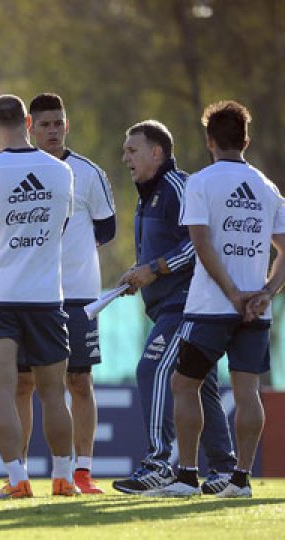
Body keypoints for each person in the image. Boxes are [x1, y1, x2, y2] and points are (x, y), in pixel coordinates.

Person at [145, 101, 285, 498]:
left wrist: (231, 293)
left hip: (210, 307)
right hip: (255, 311)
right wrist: (265, 293)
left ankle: (187, 476)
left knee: (183, 385)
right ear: (246, 140)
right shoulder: (266, 187)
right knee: (248, 392)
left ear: (209, 141)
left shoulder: (201, 183)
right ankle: (240, 479)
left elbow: (201, 244)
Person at [0, 94, 77, 499]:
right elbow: (60, 225)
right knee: (53, 393)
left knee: (4, 391)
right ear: (28, 122)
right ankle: (63, 478)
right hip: (46, 297)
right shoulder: (60, 171)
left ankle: (16, 479)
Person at [111, 120, 237, 494]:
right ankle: (225, 470)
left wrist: (153, 269)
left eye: (132, 150)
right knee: (202, 387)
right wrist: (141, 275)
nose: (125, 158)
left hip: (186, 306)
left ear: (156, 152)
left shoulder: (178, 187)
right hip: (169, 304)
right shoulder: (149, 192)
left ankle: (158, 464)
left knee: (151, 368)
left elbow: (198, 244)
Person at [15, 93, 115, 494]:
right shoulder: (15, 171)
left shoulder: (89, 173)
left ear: (66, 125)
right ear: (29, 128)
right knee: (23, 384)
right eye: (45, 124)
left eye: (59, 123)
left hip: (77, 296)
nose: (53, 130)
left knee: (79, 381)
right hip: (27, 294)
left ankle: (82, 472)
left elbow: (106, 231)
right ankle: (17, 475)